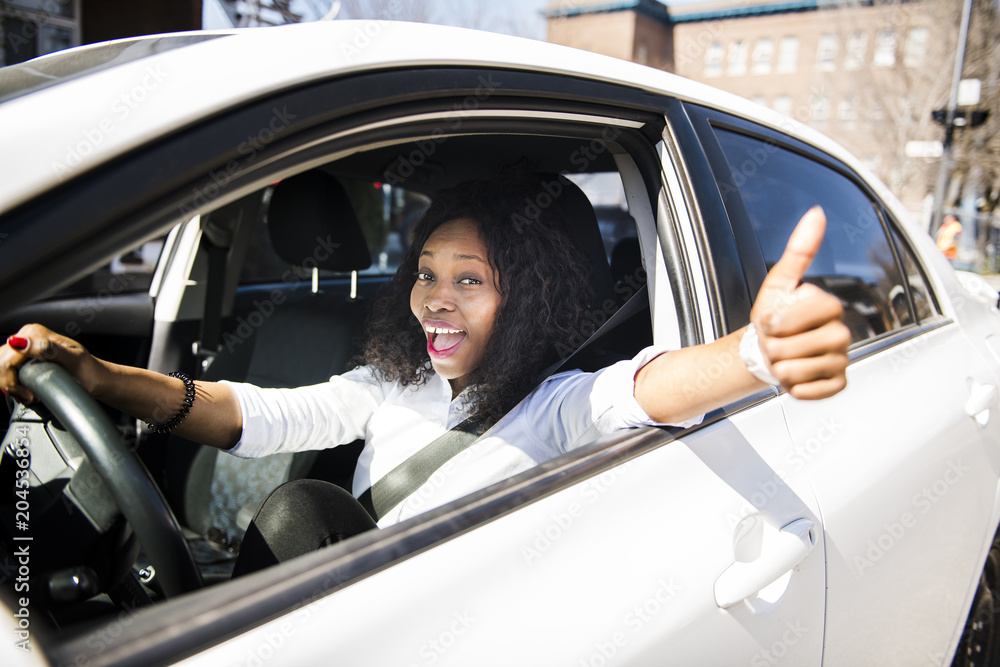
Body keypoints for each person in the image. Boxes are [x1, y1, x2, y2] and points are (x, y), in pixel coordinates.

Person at [0, 170, 850, 574]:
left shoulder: (550, 405)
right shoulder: (389, 385)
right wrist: (101, 378)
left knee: (300, 512)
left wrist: (750, 354)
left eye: (470, 280)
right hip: (332, 606)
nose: (436, 300)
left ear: (526, 298)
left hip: (420, 619)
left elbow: (639, 390)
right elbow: (251, 414)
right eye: (427, 272)